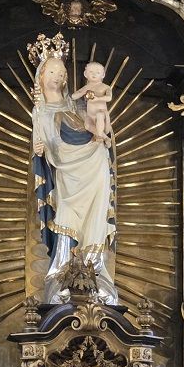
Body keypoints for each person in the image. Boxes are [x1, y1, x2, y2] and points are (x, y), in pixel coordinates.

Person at [31, 50, 117, 303]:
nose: (57, 76)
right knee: (66, 212)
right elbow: (42, 146)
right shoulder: (40, 110)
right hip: (65, 170)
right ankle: (62, 271)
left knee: (95, 214)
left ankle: (95, 270)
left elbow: (98, 123)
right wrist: (38, 149)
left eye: (61, 72)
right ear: (41, 76)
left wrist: (102, 128)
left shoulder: (75, 104)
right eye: (52, 71)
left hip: (93, 160)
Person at [72, 61, 113, 144]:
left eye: (98, 72)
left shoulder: (105, 87)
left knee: (99, 115)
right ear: (85, 74)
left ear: (103, 75)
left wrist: (98, 98)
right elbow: (73, 96)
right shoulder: (86, 87)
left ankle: (100, 136)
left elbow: (109, 97)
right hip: (90, 115)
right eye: (91, 72)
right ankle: (105, 138)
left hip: (101, 113)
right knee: (87, 125)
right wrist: (83, 92)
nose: (94, 74)